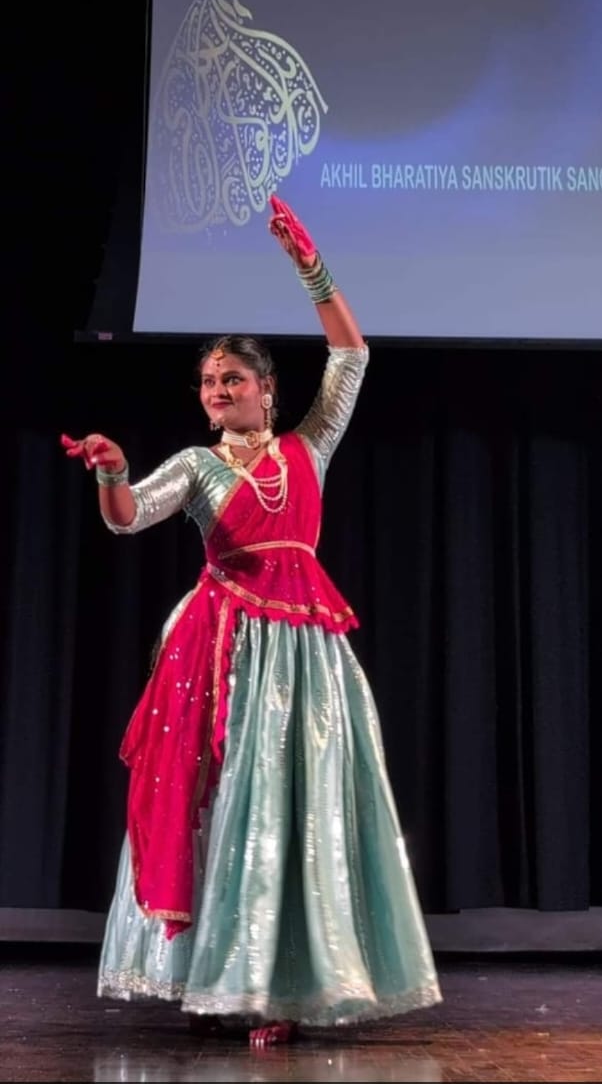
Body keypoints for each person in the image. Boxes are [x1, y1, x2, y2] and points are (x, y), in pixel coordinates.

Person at [61, 197, 442, 1046]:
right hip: (223, 650)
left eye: (233, 378)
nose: (218, 390)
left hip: (304, 653)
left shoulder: (309, 446)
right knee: (232, 807)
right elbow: (127, 519)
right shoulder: (197, 465)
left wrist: (310, 265)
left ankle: (291, 985)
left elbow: (351, 351)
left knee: (300, 807)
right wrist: (112, 470)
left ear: (268, 391)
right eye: (208, 382)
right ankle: (227, 974)